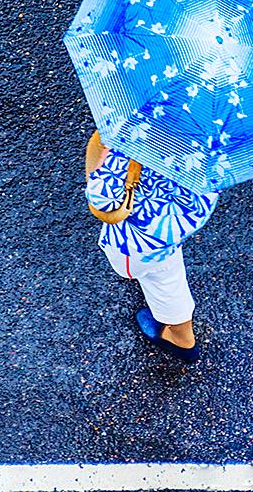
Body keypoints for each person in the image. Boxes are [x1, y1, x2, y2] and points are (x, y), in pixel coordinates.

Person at [84, 131, 218, 364]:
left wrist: (103, 153)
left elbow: (102, 200)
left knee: (163, 283)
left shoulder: (141, 136)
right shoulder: (214, 132)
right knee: (169, 271)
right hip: (178, 222)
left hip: (140, 240)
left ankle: (181, 339)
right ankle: (179, 332)